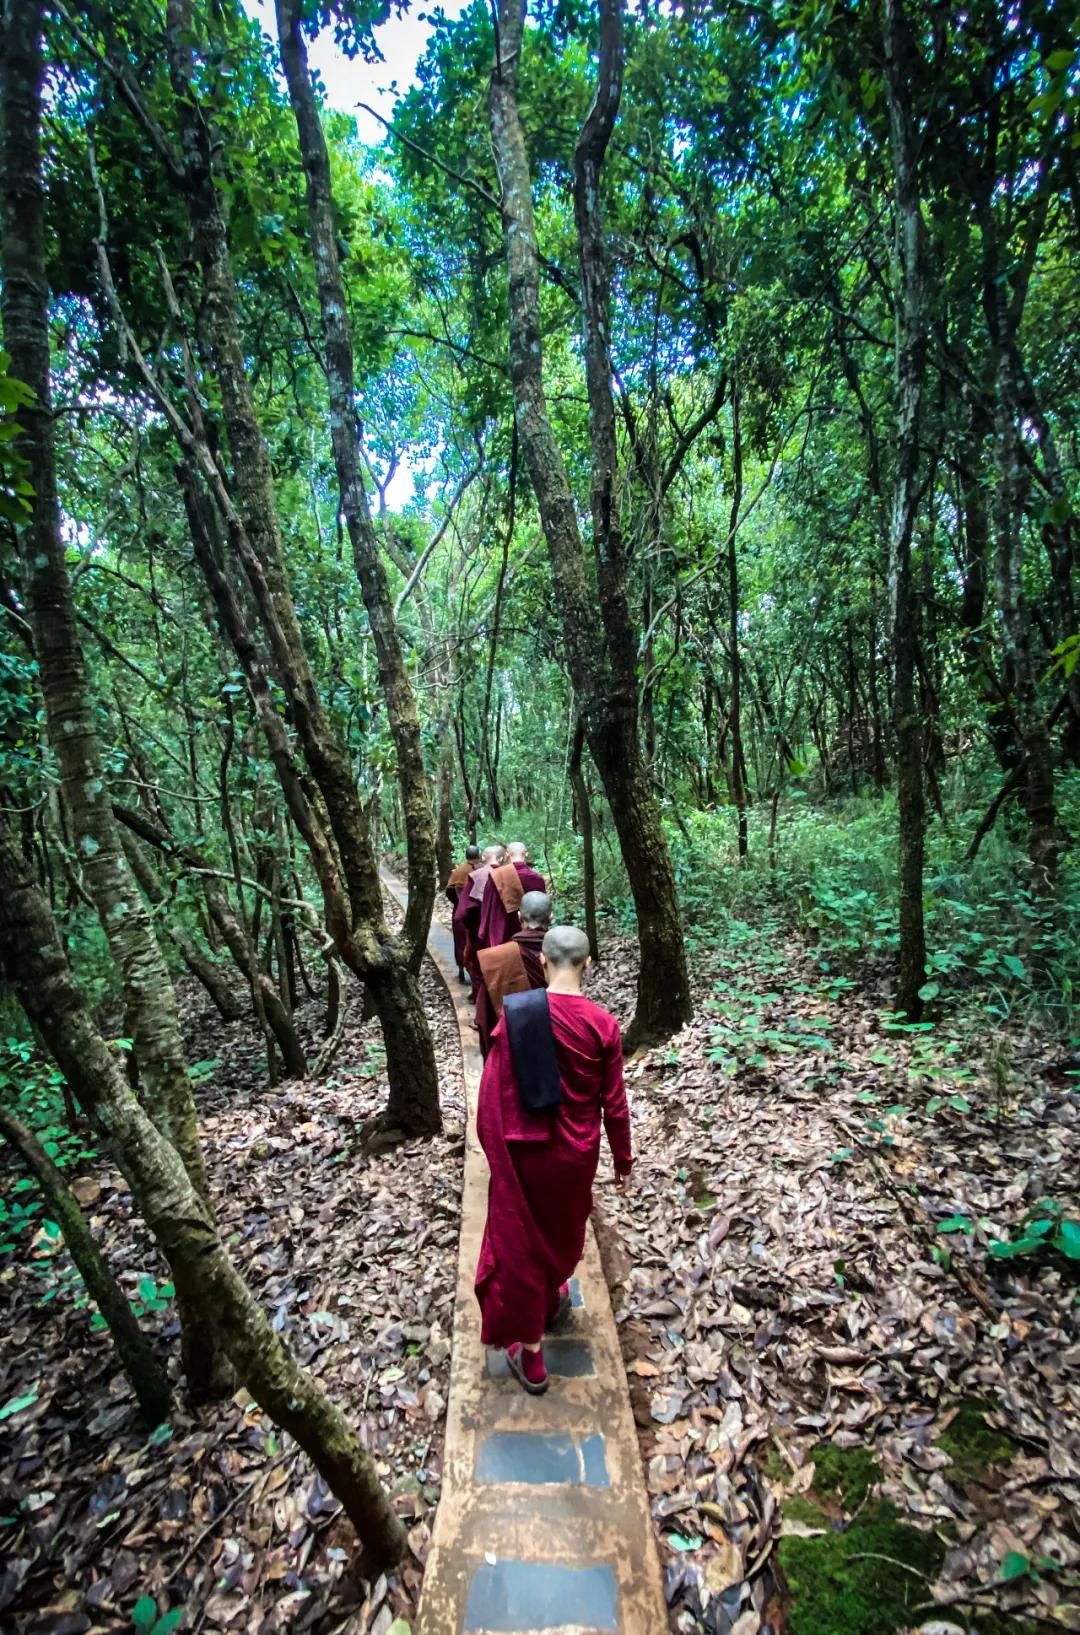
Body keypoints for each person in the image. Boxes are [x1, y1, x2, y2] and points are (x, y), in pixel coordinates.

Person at [474, 924, 633, 1395]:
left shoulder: (516, 1015)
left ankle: (532, 1354)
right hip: (575, 1156)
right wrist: (622, 1158)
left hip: (525, 1153)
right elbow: (615, 1104)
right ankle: (545, 1305)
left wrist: (497, 1152)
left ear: (541, 961)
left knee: (522, 1242)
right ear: (588, 964)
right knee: (561, 1232)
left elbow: (490, 1098)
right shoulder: (603, 1024)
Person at [475, 890, 551, 1059]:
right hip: (555, 1053)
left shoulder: (497, 959)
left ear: (519, 917)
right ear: (550, 917)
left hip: (512, 1053)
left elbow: (483, 1020)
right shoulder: (563, 956)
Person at [477, 840, 546, 951]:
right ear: (526, 854)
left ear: (507, 854)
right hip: (529, 939)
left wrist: (483, 930)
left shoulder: (496, 876)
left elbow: (487, 907)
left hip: (500, 936)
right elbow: (542, 909)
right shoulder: (537, 879)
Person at [456, 844, 505, 1000]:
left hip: (479, 933)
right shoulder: (510, 876)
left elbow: (463, 911)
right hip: (504, 935)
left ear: (483, 858)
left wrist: (471, 928)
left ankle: (481, 1001)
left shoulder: (477, 876)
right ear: (503, 858)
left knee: (479, 967)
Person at [445, 845, 481, 982]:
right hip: (477, 913)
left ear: (466, 856)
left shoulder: (458, 872)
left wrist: (458, 903)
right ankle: (476, 973)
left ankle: (461, 970)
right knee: (475, 941)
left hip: (460, 911)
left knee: (460, 941)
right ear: (478, 856)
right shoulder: (483, 871)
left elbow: (449, 892)